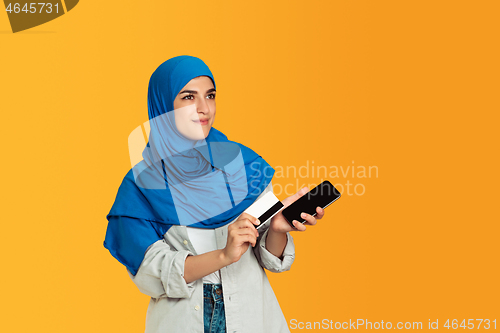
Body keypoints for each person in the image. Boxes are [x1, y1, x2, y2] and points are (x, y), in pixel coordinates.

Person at [103, 55, 325, 333]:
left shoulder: (242, 164)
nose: (203, 108)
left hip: (253, 318)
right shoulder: (140, 186)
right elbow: (153, 272)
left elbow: (269, 259)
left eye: (210, 95)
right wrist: (222, 256)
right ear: (162, 107)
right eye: (187, 97)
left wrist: (278, 229)